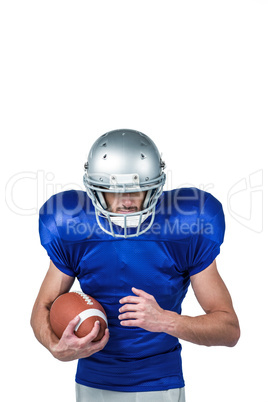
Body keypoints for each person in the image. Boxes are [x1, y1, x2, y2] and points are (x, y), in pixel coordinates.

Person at [31, 129, 240, 402]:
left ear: (155, 186)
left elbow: (229, 328)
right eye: (114, 191)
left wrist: (167, 321)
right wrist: (54, 346)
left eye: (137, 189)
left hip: (160, 382)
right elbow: (42, 307)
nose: (127, 202)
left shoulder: (187, 226)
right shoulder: (71, 225)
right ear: (95, 190)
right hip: (93, 379)